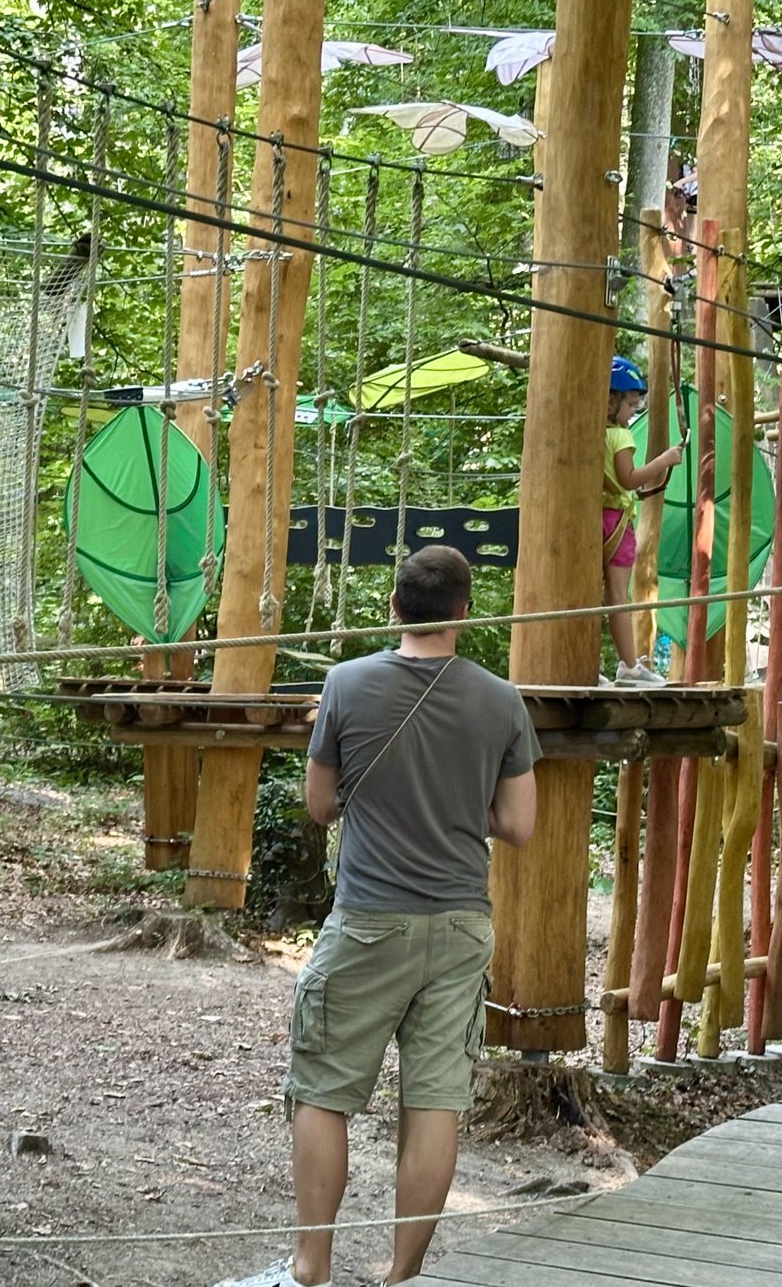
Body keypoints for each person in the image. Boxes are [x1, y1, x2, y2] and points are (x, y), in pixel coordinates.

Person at [219, 546, 539, 1287]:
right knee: (434, 1102)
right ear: (465, 612)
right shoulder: (502, 700)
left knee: (323, 1090)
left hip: (369, 918)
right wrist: (458, 805)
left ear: (395, 607)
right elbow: (518, 825)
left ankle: (312, 1267)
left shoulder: (346, 684)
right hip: (460, 926)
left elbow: (320, 805)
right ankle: (403, 1276)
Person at [603, 355, 683, 687]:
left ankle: (592, 662)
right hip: (617, 523)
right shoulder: (620, 437)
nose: (633, 412)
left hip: (597, 519)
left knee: (594, 596)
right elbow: (629, 478)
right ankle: (629, 666)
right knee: (618, 596)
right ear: (611, 401)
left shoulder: (593, 434)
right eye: (631, 405)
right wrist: (665, 460)